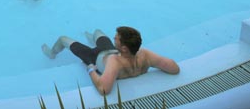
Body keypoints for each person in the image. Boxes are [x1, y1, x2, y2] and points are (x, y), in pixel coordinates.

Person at [41, 26, 179, 96]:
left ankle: (52, 54)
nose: (114, 38)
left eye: (116, 38)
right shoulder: (145, 54)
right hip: (109, 50)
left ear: (124, 47)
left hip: (94, 57)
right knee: (97, 32)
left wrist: (90, 69)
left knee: (63, 39)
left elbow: (104, 89)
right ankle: (90, 37)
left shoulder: (115, 62)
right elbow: (174, 68)